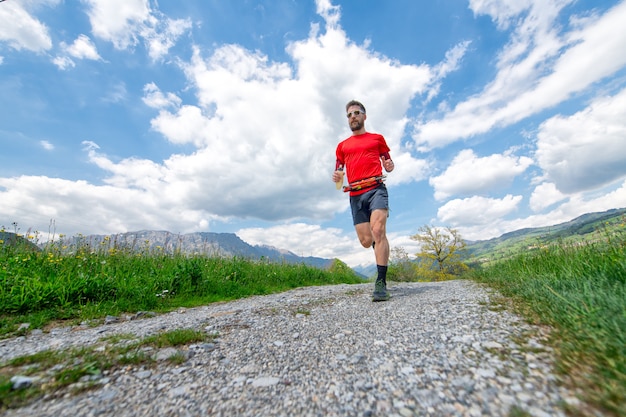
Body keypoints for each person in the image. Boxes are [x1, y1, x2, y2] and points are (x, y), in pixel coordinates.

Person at [332, 100, 395, 301]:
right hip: (355, 194)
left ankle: (381, 283)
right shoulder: (342, 146)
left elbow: (388, 162)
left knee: (378, 231)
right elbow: (339, 170)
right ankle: (379, 247)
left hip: (376, 188)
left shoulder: (377, 139)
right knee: (367, 241)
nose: (353, 117)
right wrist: (337, 177)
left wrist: (389, 165)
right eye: (349, 115)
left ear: (364, 116)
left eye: (356, 113)